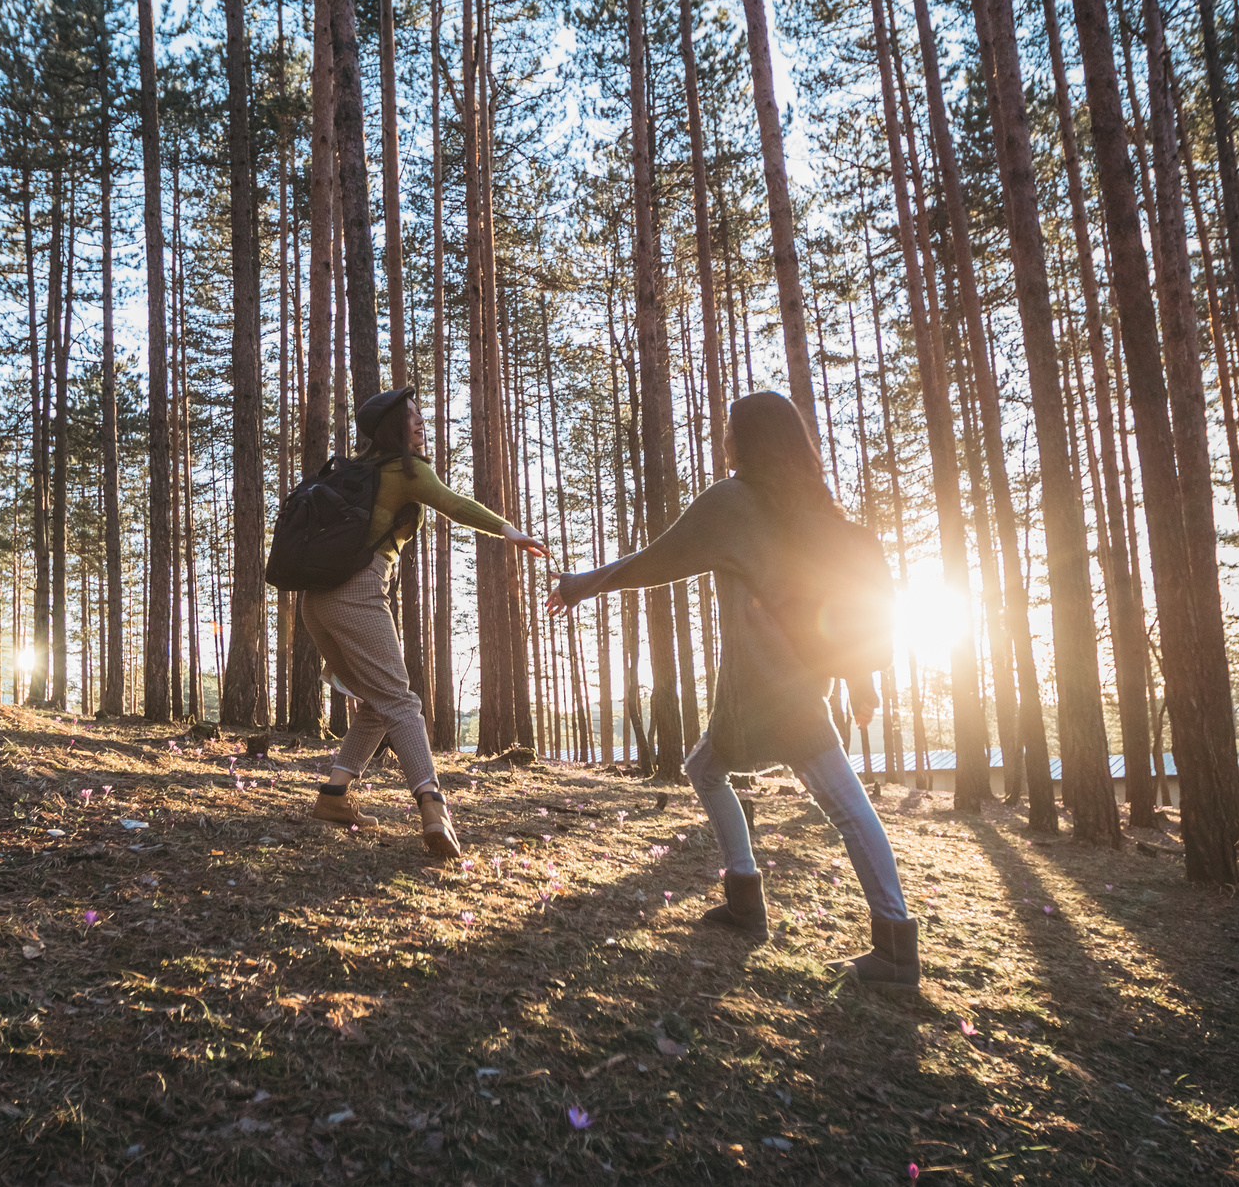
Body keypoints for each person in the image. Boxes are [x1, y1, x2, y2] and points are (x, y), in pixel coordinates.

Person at [545, 391, 916, 989]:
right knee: (703, 767)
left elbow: (654, 560)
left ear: (743, 440)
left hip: (771, 694)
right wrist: (861, 680)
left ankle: (897, 948)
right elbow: (839, 607)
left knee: (846, 804)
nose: (723, 441)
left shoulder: (736, 501)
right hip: (787, 686)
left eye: (728, 432)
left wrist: (582, 584)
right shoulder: (810, 508)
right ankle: (745, 899)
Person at [303, 387, 548, 857]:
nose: (420, 421)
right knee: (401, 701)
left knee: (377, 704)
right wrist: (510, 531)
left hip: (315, 603)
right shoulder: (406, 469)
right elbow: (453, 503)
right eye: (411, 416)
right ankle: (433, 808)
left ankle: (333, 797)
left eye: (420, 414)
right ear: (393, 429)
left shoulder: (357, 473)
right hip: (356, 592)